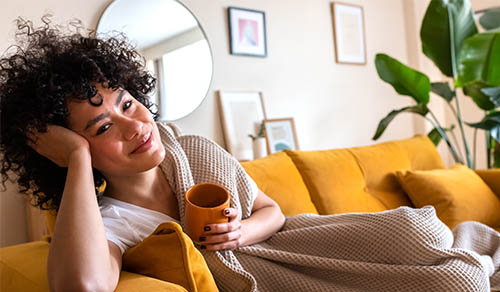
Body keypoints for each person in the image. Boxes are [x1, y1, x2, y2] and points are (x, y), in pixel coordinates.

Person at [1, 18, 499, 292]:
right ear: (69, 151)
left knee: (420, 229)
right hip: (279, 276)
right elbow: (81, 286)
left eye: (128, 103)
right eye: (104, 126)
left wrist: (242, 230)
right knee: (459, 282)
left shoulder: (191, 150)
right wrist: (78, 163)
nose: (135, 126)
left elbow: (272, 211)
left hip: (295, 239)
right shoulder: (112, 223)